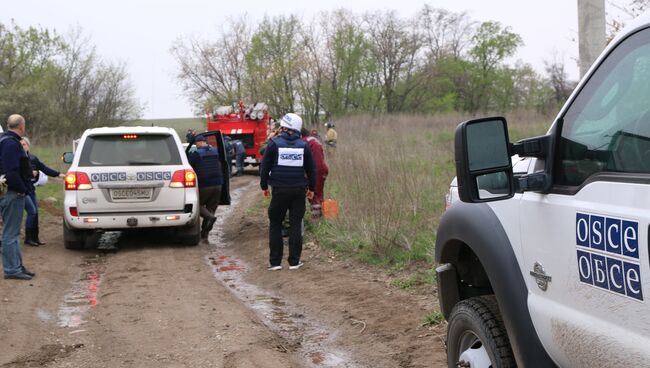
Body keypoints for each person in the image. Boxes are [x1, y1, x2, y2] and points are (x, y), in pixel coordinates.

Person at [260, 113, 315, 271]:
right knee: (296, 224)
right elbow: (311, 170)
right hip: (298, 190)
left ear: (283, 127)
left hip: (279, 190)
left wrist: (264, 187)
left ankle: (275, 262)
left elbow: (265, 168)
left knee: (275, 223)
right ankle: (294, 262)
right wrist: (311, 189)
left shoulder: (274, 144)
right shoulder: (303, 145)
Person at [0, 114, 35, 280]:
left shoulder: (7, 140)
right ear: (22, 126)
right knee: (10, 233)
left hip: (11, 191)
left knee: (14, 233)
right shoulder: (10, 143)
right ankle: (12, 269)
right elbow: (11, 171)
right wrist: (21, 189)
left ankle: (17, 266)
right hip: (12, 192)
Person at [21, 137, 64, 246]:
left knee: (35, 213)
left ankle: (34, 238)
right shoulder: (16, 159)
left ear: (28, 145)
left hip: (30, 189)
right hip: (20, 190)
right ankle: (28, 238)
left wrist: (59, 174)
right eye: (20, 145)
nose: (22, 146)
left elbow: (45, 168)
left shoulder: (33, 158)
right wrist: (31, 173)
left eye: (24, 144)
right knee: (32, 212)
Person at [188, 135, 224, 239]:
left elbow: (189, 167)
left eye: (196, 143)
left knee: (196, 204)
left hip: (204, 184)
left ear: (200, 142)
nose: (196, 145)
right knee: (211, 208)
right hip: (218, 184)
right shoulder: (216, 151)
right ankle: (205, 233)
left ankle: (209, 217)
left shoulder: (196, 154)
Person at [301, 128, 328, 218]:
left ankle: (316, 220)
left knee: (313, 195)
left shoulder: (304, 142)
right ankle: (321, 217)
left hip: (315, 170)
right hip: (323, 169)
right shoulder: (314, 139)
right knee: (319, 193)